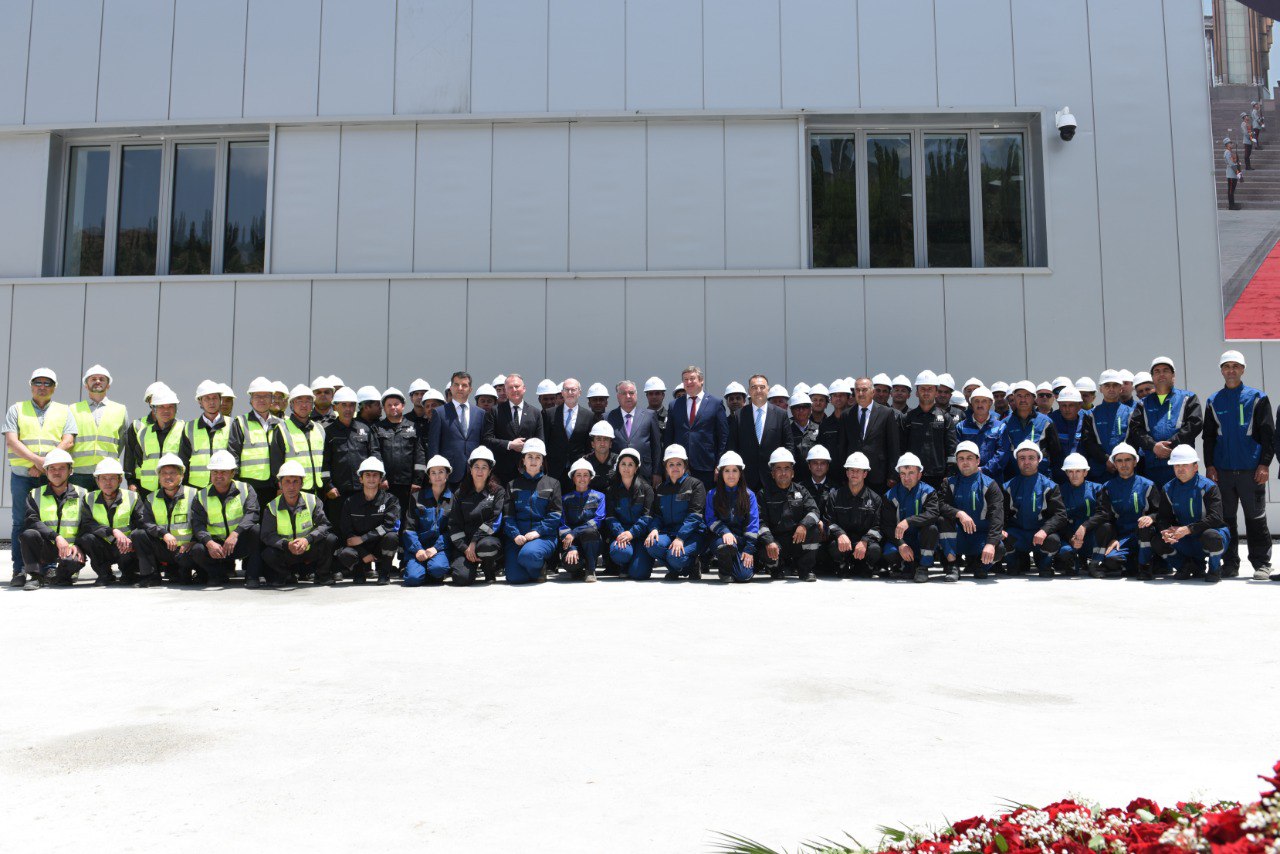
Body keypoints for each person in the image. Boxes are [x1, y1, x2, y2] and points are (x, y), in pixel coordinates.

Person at [1203, 350, 1273, 580]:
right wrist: (1210, 466)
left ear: (1243, 369)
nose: (1230, 370)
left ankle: (1262, 564)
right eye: (1226, 366)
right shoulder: (1213, 401)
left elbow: (1268, 435)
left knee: (1256, 518)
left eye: (1235, 366)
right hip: (1223, 471)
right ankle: (1230, 564)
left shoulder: (1257, 398)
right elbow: (1208, 437)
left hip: (1251, 471)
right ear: (1221, 370)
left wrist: (1264, 464)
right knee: (1226, 519)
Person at [5, 367, 77, 584]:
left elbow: (68, 441)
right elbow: (12, 441)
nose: (42, 387)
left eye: (47, 383)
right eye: (38, 382)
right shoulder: (17, 409)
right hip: (22, 475)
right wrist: (37, 461)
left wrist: (44, 464)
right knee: (20, 523)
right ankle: (19, 570)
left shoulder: (64, 411)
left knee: (49, 522)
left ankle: (49, 568)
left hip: (50, 476)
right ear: (31, 385)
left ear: (54, 387)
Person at [1153, 446, 1230, 583]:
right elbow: (1163, 518)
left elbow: (1216, 518)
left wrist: (1188, 529)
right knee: (1158, 540)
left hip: (1206, 534)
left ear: (1195, 467)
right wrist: (1165, 531)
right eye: (1177, 465)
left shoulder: (1208, 487)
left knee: (1212, 537)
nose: (1180, 469)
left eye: (1185, 465)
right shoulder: (1168, 489)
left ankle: (1214, 569)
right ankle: (1185, 566)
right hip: (1184, 537)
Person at [1126, 356, 1202, 489]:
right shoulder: (1143, 404)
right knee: (1155, 502)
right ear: (1152, 377)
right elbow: (1136, 430)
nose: (1161, 374)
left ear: (1173, 375)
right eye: (1157, 371)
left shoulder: (1188, 398)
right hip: (1152, 468)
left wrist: (1170, 445)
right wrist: (1154, 446)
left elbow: (1195, 424)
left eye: (1165, 370)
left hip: (1181, 466)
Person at [260, 459, 339, 587]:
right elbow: (267, 535)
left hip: (309, 551)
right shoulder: (272, 507)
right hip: (287, 553)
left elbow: (324, 525)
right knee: (268, 553)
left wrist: (307, 540)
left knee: (330, 539)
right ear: (280, 484)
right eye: (287, 481)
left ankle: (322, 575)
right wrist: (287, 544)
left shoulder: (312, 501)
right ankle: (286, 575)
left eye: (295, 481)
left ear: (302, 483)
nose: (291, 486)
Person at [16, 448, 87, 589]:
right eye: (52, 468)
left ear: (70, 471)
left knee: (65, 576)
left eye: (62, 468)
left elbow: (87, 524)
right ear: (46, 471)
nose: (56, 472)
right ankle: (35, 576)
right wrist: (56, 537)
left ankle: (62, 574)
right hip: (46, 546)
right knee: (28, 534)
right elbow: (32, 521)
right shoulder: (35, 494)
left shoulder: (83, 494)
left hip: (71, 548)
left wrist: (79, 545)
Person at [189, 449, 260, 588]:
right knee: (197, 549)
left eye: (223, 472)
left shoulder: (246, 489)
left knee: (256, 531)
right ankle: (217, 575)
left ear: (233, 473)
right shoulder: (201, 496)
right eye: (215, 472)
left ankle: (252, 576)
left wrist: (235, 534)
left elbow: (252, 513)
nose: (218, 476)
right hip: (217, 546)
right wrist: (209, 543)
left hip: (238, 542)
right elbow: (198, 524)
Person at [937, 441, 1005, 581]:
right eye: (961, 458)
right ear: (957, 462)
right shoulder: (949, 483)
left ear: (978, 461)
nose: (965, 462)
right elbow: (940, 505)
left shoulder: (990, 485)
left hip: (980, 536)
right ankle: (952, 565)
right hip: (959, 536)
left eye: (969, 458)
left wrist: (991, 543)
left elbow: (997, 517)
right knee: (942, 521)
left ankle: (981, 566)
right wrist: (959, 513)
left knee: (998, 548)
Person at [320, 385, 380, 539]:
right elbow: (324, 463)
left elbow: (375, 455)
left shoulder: (365, 429)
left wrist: (377, 480)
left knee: (362, 528)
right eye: (344, 405)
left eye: (351, 405)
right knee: (338, 531)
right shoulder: (328, 432)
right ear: (335, 407)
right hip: (338, 493)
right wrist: (328, 486)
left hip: (363, 491)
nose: (348, 409)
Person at [1002, 441, 1069, 577]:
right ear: (1017, 460)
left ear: (1039, 460)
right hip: (1018, 534)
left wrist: (1045, 530)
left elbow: (1060, 515)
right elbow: (1001, 514)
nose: (1026, 462)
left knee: (1053, 541)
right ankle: (1013, 564)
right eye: (1022, 458)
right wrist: (1000, 529)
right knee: (1001, 538)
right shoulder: (1007, 486)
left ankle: (1045, 565)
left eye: (1031, 458)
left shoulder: (1050, 486)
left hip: (1040, 534)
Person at [132, 453, 198, 587]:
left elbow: (202, 522)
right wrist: (163, 533)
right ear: (159, 477)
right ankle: (150, 577)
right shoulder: (151, 498)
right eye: (164, 473)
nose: (168, 477)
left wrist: (194, 541)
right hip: (163, 547)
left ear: (182, 475)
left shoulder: (194, 495)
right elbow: (146, 522)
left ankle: (189, 573)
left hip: (186, 549)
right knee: (138, 534)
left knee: (195, 557)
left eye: (172, 473)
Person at [502, 438, 562, 584]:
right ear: (523, 460)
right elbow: (508, 516)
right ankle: (531, 569)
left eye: (537, 457)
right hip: (518, 538)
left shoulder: (553, 483)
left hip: (543, 537)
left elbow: (555, 515)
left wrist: (538, 532)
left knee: (528, 555)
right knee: (514, 578)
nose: (533, 460)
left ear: (542, 461)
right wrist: (515, 535)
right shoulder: (512, 485)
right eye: (529, 456)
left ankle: (539, 567)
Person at [1098, 442, 1161, 579]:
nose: (1124, 464)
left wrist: (1151, 517)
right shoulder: (1108, 487)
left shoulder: (1148, 485)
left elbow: (1160, 512)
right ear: (1114, 464)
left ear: (1135, 462)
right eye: (1119, 461)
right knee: (1111, 560)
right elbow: (1106, 517)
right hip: (1123, 537)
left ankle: (1145, 567)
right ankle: (1133, 563)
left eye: (1128, 460)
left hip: (1145, 534)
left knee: (1145, 528)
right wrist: (1113, 538)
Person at [757, 448, 821, 581]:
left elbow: (814, 511)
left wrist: (803, 525)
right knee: (763, 547)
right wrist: (769, 541)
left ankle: (805, 570)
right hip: (776, 541)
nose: (783, 473)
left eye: (787, 468)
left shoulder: (801, 491)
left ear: (792, 473)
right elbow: (760, 521)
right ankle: (776, 568)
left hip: (797, 539)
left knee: (814, 529)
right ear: (772, 473)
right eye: (778, 469)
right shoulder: (764, 494)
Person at [76, 457, 141, 586]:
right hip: (102, 546)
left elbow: (140, 522)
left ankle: (129, 573)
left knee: (139, 536)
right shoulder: (89, 498)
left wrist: (129, 539)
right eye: (103, 478)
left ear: (120, 480)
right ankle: (104, 574)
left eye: (112, 478)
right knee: (87, 538)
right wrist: (112, 532)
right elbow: (87, 524)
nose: (108, 482)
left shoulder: (132, 497)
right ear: (97, 480)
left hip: (125, 545)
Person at [646, 445, 707, 580]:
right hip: (669, 532)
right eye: (671, 464)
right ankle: (675, 568)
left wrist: (680, 537)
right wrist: (654, 529)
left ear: (685, 465)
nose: (675, 467)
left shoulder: (695, 485)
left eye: (679, 464)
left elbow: (695, 516)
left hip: (693, 534)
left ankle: (691, 564)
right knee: (652, 544)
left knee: (675, 557)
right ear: (666, 467)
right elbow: (658, 515)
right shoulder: (661, 489)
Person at [663, 365, 728, 488]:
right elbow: (669, 437)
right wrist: (667, 464)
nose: (688, 382)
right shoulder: (674, 405)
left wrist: (720, 464)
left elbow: (723, 437)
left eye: (692, 378)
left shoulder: (715, 403)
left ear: (701, 380)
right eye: (685, 379)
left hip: (706, 466)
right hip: (679, 467)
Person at [447, 447, 505, 585]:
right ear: (470, 469)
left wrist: (474, 541)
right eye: (476, 467)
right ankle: (470, 567)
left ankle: (489, 568)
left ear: (490, 471)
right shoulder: (460, 493)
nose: (480, 471)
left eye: (484, 467)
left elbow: (495, 521)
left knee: (487, 547)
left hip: (486, 540)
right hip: (465, 545)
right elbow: (454, 524)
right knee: (461, 578)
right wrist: (465, 548)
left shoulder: (498, 492)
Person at [823, 452, 886, 578]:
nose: (854, 474)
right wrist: (840, 534)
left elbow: (878, 526)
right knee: (834, 547)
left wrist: (865, 540)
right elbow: (828, 520)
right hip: (844, 542)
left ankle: (866, 566)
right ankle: (842, 565)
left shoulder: (875, 499)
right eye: (851, 470)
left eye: (858, 471)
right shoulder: (835, 496)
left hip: (864, 543)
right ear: (847, 473)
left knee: (875, 550)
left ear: (865, 474)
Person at [726, 374, 792, 491]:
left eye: (762, 387)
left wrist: (784, 471)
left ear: (768, 390)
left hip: (774, 478)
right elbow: (732, 447)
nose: (758, 391)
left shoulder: (780, 415)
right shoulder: (739, 415)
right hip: (746, 479)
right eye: (754, 387)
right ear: (749, 391)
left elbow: (789, 445)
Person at [882, 452, 941, 583]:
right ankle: (906, 566)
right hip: (901, 539)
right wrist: (901, 544)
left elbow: (933, 514)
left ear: (919, 474)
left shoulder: (928, 491)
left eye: (911, 473)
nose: (906, 477)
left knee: (932, 529)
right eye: (903, 473)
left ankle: (923, 567)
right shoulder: (890, 495)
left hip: (921, 538)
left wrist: (908, 521)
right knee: (889, 553)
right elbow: (887, 525)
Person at [69, 364, 128, 491]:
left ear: (108, 385)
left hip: (108, 472)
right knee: (78, 504)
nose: (97, 381)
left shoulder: (120, 410)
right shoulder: (73, 409)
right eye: (93, 379)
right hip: (79, 473)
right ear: (86, 385)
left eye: (102, 379)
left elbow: (122, 441)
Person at [704, 451, 760, 583]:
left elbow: (753, 524)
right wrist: (725, 531)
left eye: (735, 470)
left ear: (740, 473)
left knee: (743, 576)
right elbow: (710, 519)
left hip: (740, 541)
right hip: (720, 539)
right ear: (721, 473)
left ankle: (734, 564)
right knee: (726, 546)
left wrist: (749, 549)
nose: (731, 475)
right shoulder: (712, 494)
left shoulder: (749, 495)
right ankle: (724, 570)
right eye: (727, 471)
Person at [840, 376, 901, 493]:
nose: (860, 393)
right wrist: (843, 475)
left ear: (872, 392)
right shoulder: (846, 415)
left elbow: (893, 446)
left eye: (864, 390)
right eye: (857, 390)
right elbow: (843, 447)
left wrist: (893, 475)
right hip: (854, 474)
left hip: (878, 475)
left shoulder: (886, 413)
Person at [228, 376, 283, 506]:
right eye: (257, 396)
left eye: (266, 396)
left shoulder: (281, 424)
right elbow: (233, 455)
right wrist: (235, 484)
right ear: (251, 399)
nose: (261, 400)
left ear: (272, 399)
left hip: (274, 486)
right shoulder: (240, 422)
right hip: (247, 485)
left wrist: (281, 485)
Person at [482, 373, 546, 484]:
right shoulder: (495, 411)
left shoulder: (535, 413)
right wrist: (510, 444)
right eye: (510, 387)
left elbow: (540, 442)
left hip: (528, 471)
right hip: (501, 472)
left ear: (524, 388)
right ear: (506, 391)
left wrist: (526, 447)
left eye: (517, 386)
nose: (514, 390)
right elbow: (487, 439)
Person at [603, 448, 656, 580]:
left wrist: (632, 533)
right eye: (623, 464)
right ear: (618, 466)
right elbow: (610, 517)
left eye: (630, 464)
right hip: (622, 533)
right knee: (620, 552)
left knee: (639, 573)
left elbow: (647, 516)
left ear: (636, 468)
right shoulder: (612, 490)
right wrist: (621, 533)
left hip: (640, 535)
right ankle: (624, 564)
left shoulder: (646, 489)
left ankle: (637, 562)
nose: (626, 468)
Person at [1056, 453, 1112, 578]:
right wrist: (1070, 538)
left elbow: (1103, 513)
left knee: (1106, 527)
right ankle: (1073, 561)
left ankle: (1095, 564)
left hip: (1091, 536)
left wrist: (1084, 527)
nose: (1074, 475)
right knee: (1065, 552)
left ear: (1085, 472)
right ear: (1066, 473)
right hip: (1071, 536)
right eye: (1070, 471)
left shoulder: (1097, 489)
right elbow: (1058, 517)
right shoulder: (1060, 491)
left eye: (1078, 471)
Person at [427, 371, 485, 488]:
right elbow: (434, 445)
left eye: (464, 385)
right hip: (449, 473)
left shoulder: (480, 413)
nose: (460, 388)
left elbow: (483, 443)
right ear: (451, 388)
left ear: (470, 389)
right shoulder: (440, 412)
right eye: (456, 384)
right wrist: (434, 471)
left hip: (474, 473)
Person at [403, 455, 454, 586]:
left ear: (447, 474)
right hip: (419, 547)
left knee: (438, 569)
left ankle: (432, 570)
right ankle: (421, 570)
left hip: (439, 548)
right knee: (412, 579)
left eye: (441, 471)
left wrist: (436, 548)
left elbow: (453, 530)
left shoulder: (454, 500)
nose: (437, 476)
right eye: (433, 472)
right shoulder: (416, 498)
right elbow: (409, 528)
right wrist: (418, 549)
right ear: (429, 476)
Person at [372, 387, 424, 516]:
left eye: (396, 404)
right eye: (389, 405)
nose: (393, 407)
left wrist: (417, 481)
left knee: (407, 518)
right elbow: (375, 454)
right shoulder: (377, 429)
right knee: (386, 516)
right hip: (386, 484)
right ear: (384, 408)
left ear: (403, 406)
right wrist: (382, 478)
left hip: (408, 485)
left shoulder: (414, 427)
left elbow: (419, 454)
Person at [900, 371, 955, 490]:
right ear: (916, 392)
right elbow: (901, 448)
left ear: (936, 392)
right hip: (913, 476)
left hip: (939, 478)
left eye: (930, 389)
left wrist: (949, 475)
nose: (926, 392)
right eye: (922, 389)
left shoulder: (945, 418)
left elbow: (951, 449)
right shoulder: (907, 418)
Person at [268, 385, 326, 496]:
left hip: (319, 490)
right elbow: (276, 463)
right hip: (293, 490)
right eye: (299, 401)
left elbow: (325, 461)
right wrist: (279, 486)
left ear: (312, 404)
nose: (304, 405)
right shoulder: (282, 429)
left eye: (308, 401)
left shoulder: (319, 429)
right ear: (291, 404)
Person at [124, 386, 183, 495]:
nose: (166, 410)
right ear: (153, 408)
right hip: (147, 489)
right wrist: (131, 481)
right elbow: (134, 459)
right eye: (161, 407)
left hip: (175, 490)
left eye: (170, 406)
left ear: (176, 408)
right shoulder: (143, 432)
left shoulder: (183, 429)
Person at [1001, 380, 1062, 478]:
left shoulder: (1046, 422)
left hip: (1041, 478)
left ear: (1034, 399)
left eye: (1027, 396)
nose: (1023, 399)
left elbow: (1056, 454)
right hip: (1013, 479)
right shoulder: (1005, 423)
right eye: (1019, 396)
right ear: (1014, 398)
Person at [607, 379, 663, 485]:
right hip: (617, 473)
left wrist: (657, 472)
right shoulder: (608, 417)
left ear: (636, 395)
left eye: (631, 393)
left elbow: (656, 447)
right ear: (618, 396)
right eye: (624, 393)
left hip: (644, 472)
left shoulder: (649, 415)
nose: (628, 396)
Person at [559, 459, 605, 582]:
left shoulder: (600, 497)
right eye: (578, 475)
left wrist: (574, 532)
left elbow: (598, 520)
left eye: (586, 475)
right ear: (573, 478)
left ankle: (590, 569)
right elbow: (562, 525)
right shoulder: (565, 499)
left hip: (592, 541)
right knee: (570, 564)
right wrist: (572, 548)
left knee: (590, 531)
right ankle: (578, 568)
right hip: (571, 542)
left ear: (590, 478)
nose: (582, 478)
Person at [1047, 386, 1106, 482]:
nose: (1067, 409)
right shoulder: (1050, 421)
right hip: (1059, 477)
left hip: (1085, 477)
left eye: (1071, 405)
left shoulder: (1089, 419)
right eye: (1063, 405)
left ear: (1079, 405)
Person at [180, 380, 230, 491]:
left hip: (224, 487)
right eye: (207, 398)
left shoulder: (232, 424)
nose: (211, 402)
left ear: (220, 400)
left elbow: (236, 457)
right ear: (200, 402)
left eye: (214, 398)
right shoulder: (189, 427)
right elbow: (184, 460)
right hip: (195, 487)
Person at [1090, 370, 1134, 484]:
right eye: (1107, 385)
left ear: (1120, 388)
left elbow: (1133, 439)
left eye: (1115, 385)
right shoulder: (1091, 414)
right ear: (1100, 389)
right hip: (1101, 471)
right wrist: (1106, 460)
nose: (1111, 388)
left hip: (1125, 469)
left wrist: (1119, 460)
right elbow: (1089, 442)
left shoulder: (1130, 413)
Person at [546, 377, 594, 482]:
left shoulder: (589, 416)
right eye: (567, 389)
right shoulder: (549, 414)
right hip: (554, 470)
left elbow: (589, 446)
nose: (570, 392)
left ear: (579, 392)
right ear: (562, 393)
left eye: (573, 389)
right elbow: (545, 441)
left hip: (578, 471)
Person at [954, 386, 1008, 479]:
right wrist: (970, 469)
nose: (980, 405)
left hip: (993, 479)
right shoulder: (961, 427)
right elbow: (957, 452)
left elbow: (1002, 453)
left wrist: (984, 470)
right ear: (971, 403)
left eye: (984, 401)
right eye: (976, 401)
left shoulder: (1000, 427)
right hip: (967, 477)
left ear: (990, 403)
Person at [580, 421, 619, 493]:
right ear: (592, 444)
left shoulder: (619, 461)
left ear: (610, 444)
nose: (602, 443)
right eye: (598, 439)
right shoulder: (584, 463)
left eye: (606, 439)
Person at [819, 378, 852, 453]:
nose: (838, 398)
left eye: (841, 395)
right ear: (830, 400)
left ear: (848, 398)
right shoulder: (825, 424)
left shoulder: (855, 421)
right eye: (835, 395)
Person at [787, 392, 820, 461]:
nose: (801, 410)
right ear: (791, 410)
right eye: (797, 407)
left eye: (805, 407)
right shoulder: (787, 431)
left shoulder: (819, 429)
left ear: (810, 409)